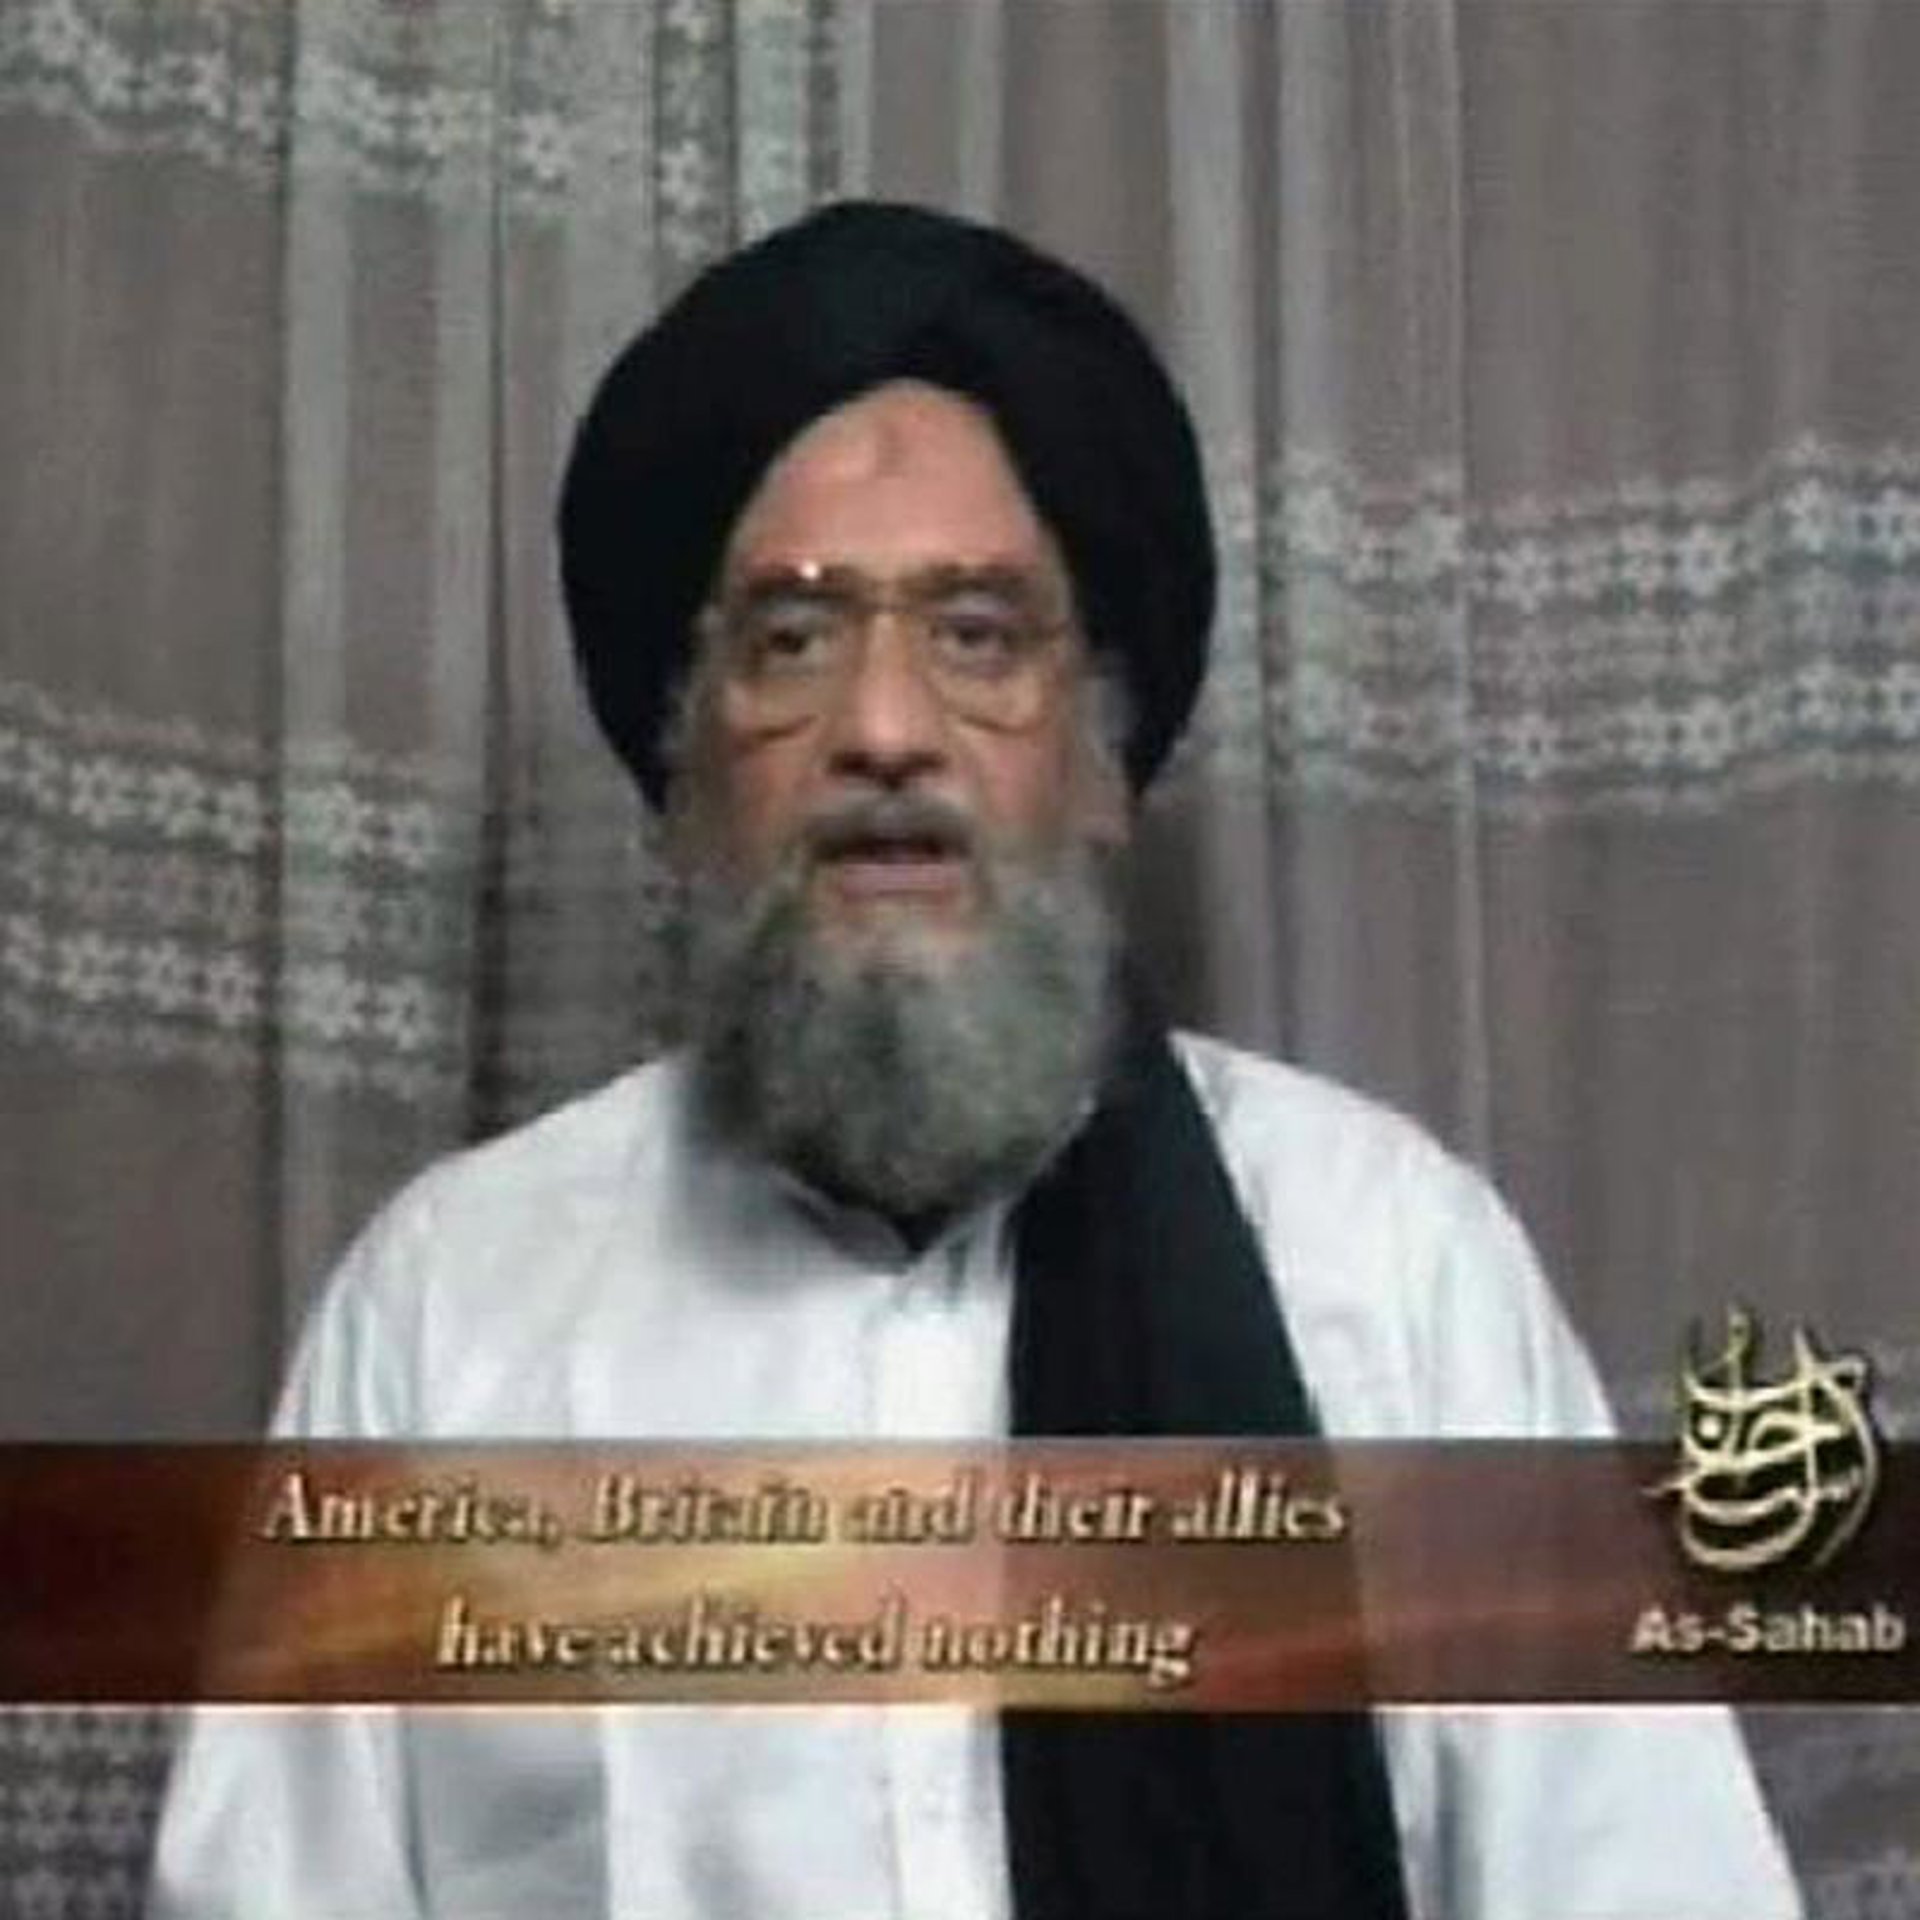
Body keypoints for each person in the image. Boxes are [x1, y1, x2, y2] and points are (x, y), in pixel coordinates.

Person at [148, 201, 1802, 1920]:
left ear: (1099, 758)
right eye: (792, 641)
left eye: (980, 636)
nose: (884, 729)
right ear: (687, 769)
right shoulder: (449, 1313)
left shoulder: (1395, 1271)